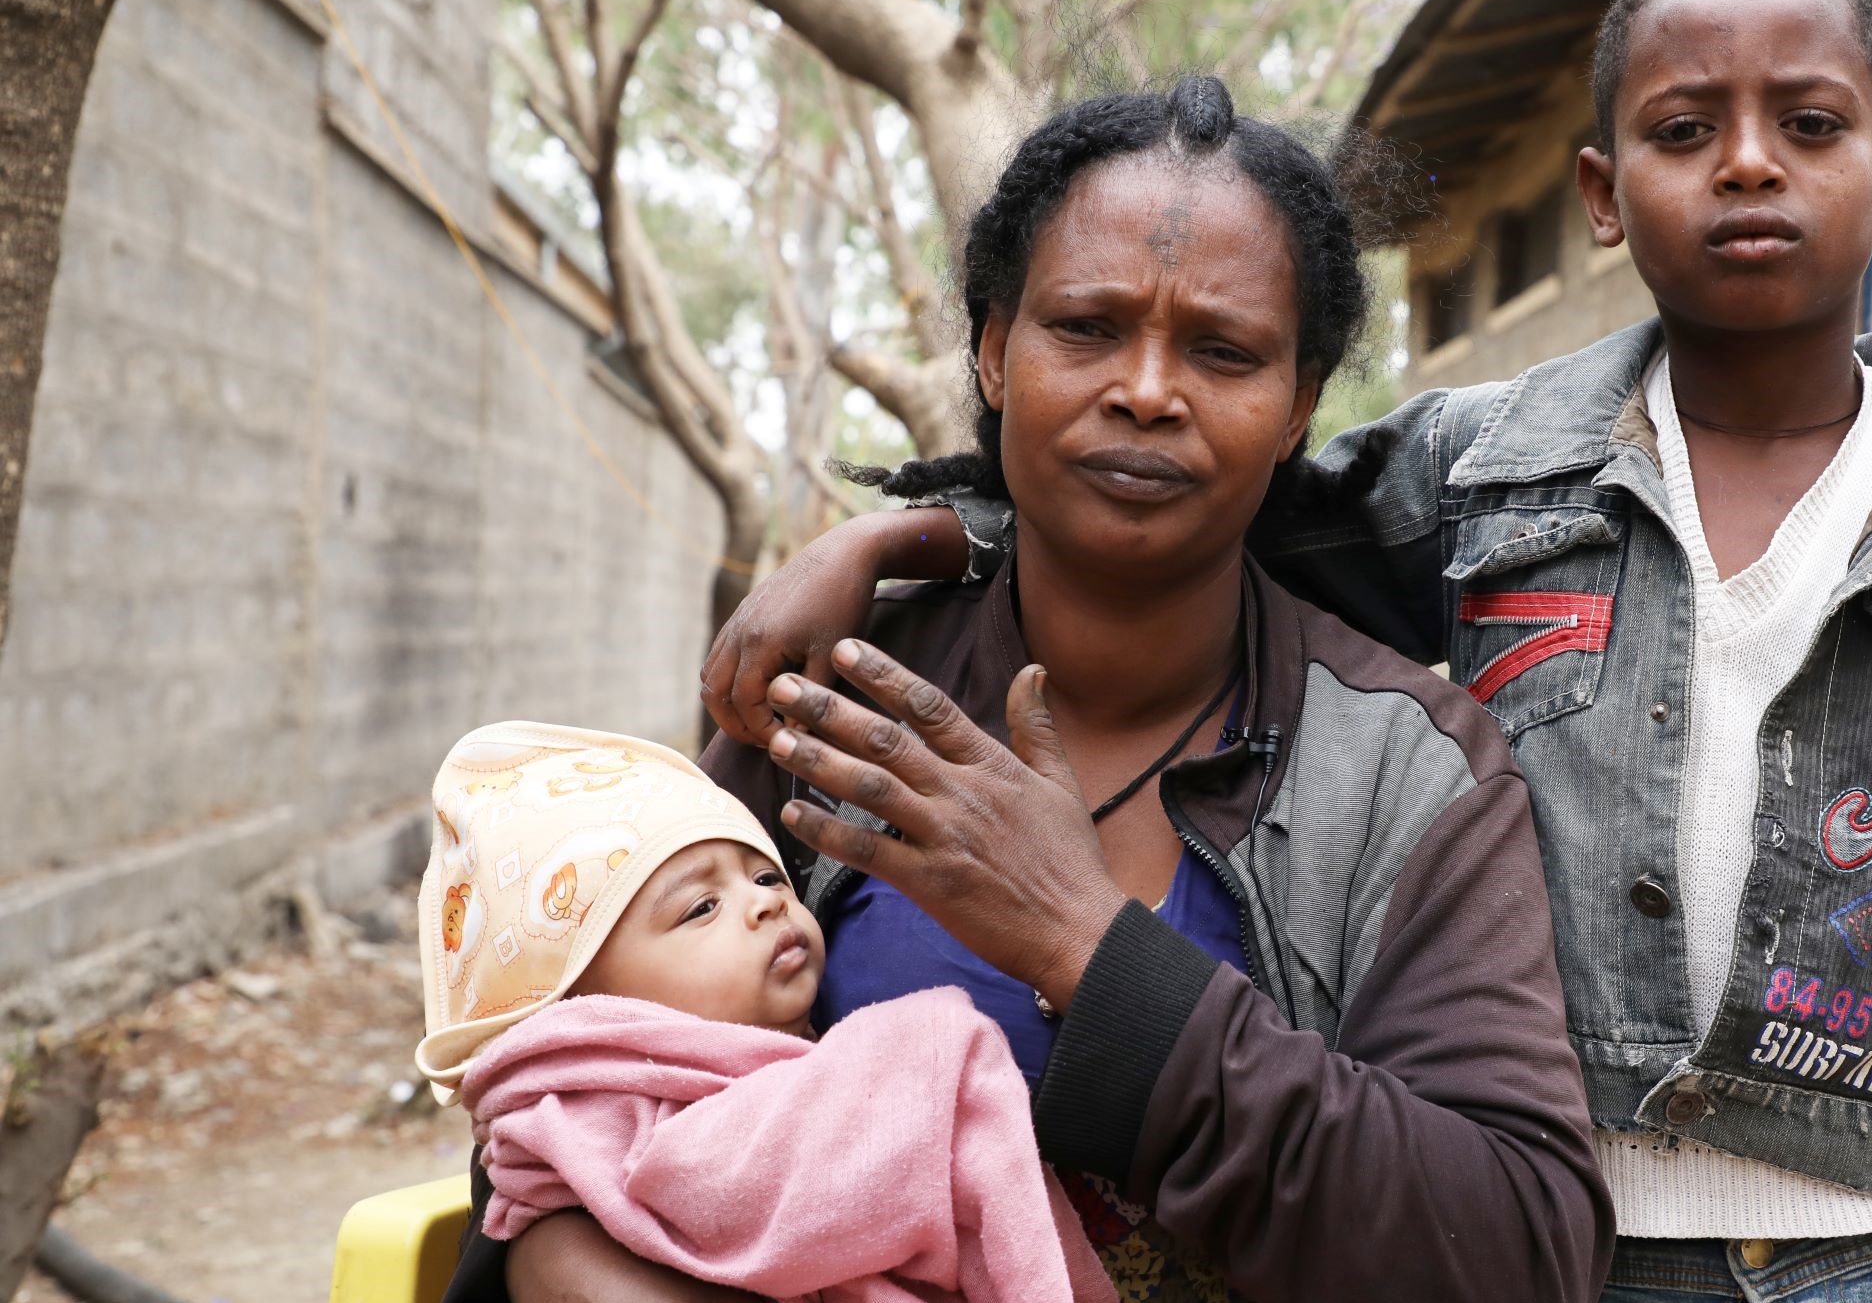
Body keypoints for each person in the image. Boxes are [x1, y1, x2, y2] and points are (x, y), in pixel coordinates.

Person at [708, 0, 1872, 1302]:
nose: (1745, 167)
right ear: (1598, 192)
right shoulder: (1493, 472)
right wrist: (904, 539)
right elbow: (1194, 494)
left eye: (1808, 127)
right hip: (1573, 1207)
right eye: (1680, 131)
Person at [468, 76, 1612, 1303]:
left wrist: (1087, 947)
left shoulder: (1408, 770)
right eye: (1086, 327)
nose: (1147, 389)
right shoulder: (836, 697)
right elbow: (564, 1096)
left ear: (1298, 408)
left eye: (1223, 352)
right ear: (992, 351)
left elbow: (1518, 1249)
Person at [415, 721, 1113, 1303]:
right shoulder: (588, 1165)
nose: (767, 901)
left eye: (766, 873)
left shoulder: (833, 1077)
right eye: (701, 906)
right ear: (590, 1013)